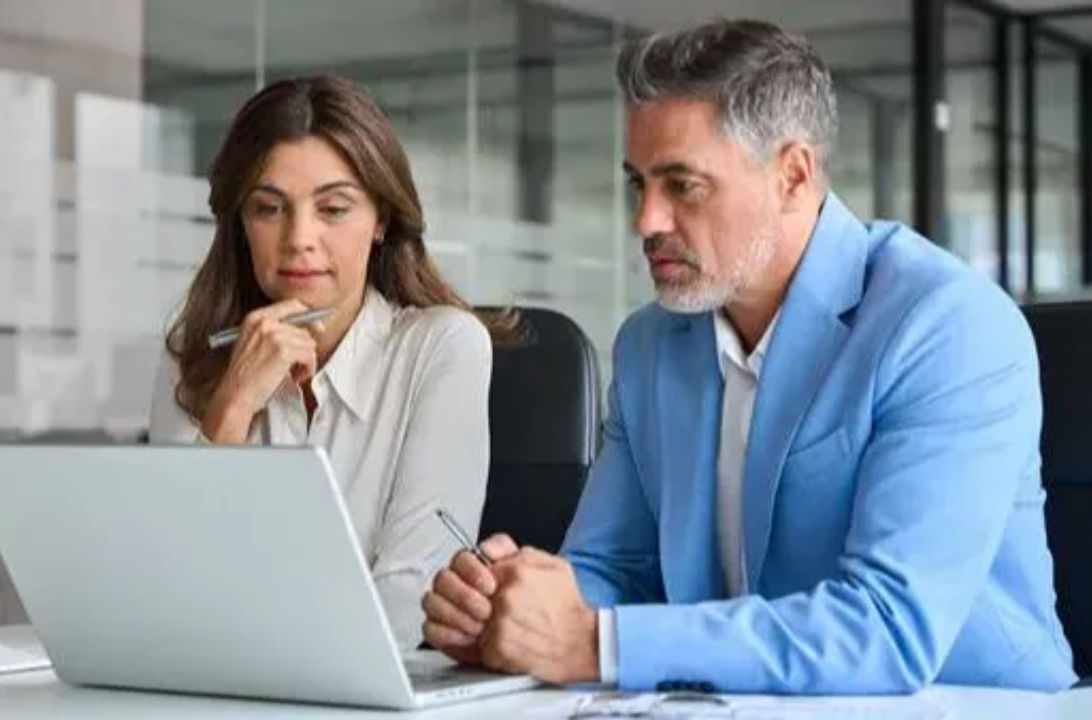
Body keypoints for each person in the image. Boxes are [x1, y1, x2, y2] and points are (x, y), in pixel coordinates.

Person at [422, 19, 1076, 694]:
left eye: (682, 185)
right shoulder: (652, 345)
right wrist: (511, 606)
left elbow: (888, 626)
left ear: (793, 175)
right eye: (637, 184)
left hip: (969, 704)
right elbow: (613, 570)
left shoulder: (945, 326)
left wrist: (595, 641)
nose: (646, 220)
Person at [148, 75, 514, 650]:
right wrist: (234, 407)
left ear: (382, 220)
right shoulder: (193, 357)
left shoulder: (444, 347)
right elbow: (159, 584)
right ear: (241, 225)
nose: (299, 239)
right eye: (269, 208)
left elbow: (410, 596)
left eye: (334, 208)